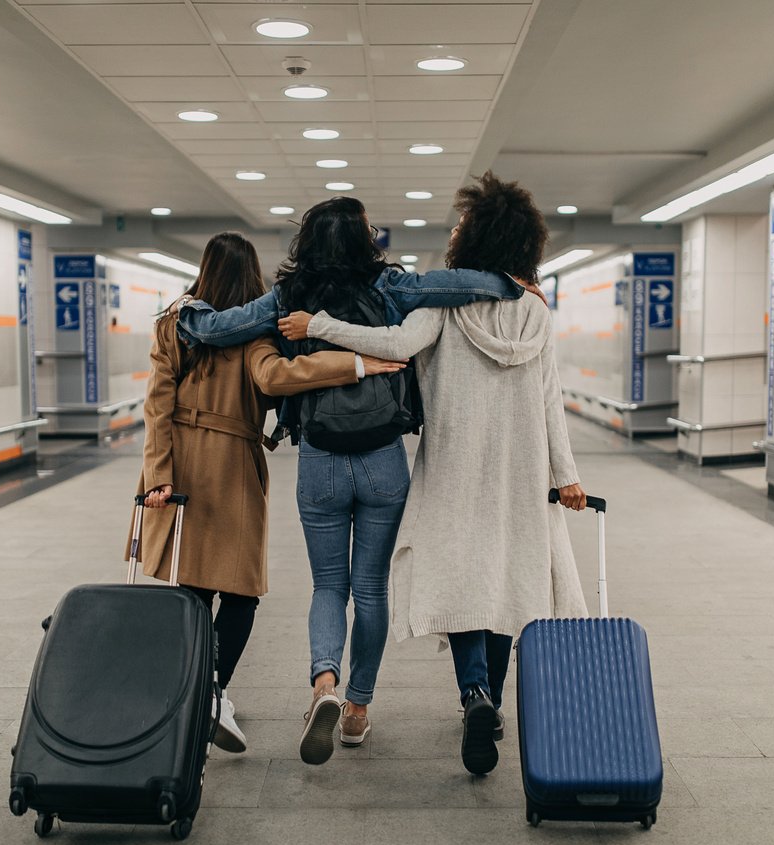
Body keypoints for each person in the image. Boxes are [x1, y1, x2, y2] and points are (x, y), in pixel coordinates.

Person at [174, 198, 529, 766]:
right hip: (383, 457)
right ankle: (359, 709)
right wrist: (509, 284)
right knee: (371, 589)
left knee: (328, 586)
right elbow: (457, 285)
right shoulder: (390, 285)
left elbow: (222, 328)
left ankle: (324, 685)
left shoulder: (291, 296)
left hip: (319, 457)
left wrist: (187, 312)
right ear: (365, 239)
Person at [277, 173, 589, 775]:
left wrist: (318, 325)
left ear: (477, 238)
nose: (453, 231)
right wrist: (566, 474)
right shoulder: (537, 313)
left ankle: (470, 692)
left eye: (461, 225)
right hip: (520, 471)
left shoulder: (442, 307)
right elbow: (551, 399)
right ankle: (489, 701)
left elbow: (391, 346)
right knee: (506, 580)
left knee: (461, 579)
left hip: (454, 463)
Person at [134, 231, 405, 754]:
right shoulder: (254, 335)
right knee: (241, 595)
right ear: (251, 279)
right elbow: (279, 376)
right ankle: (212, 691)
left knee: (191, 588)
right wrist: (356, 362)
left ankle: (193, 692)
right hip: (233, 466)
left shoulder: (174, 325)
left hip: (182, 466)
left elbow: (156, 405)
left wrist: (158, 476)